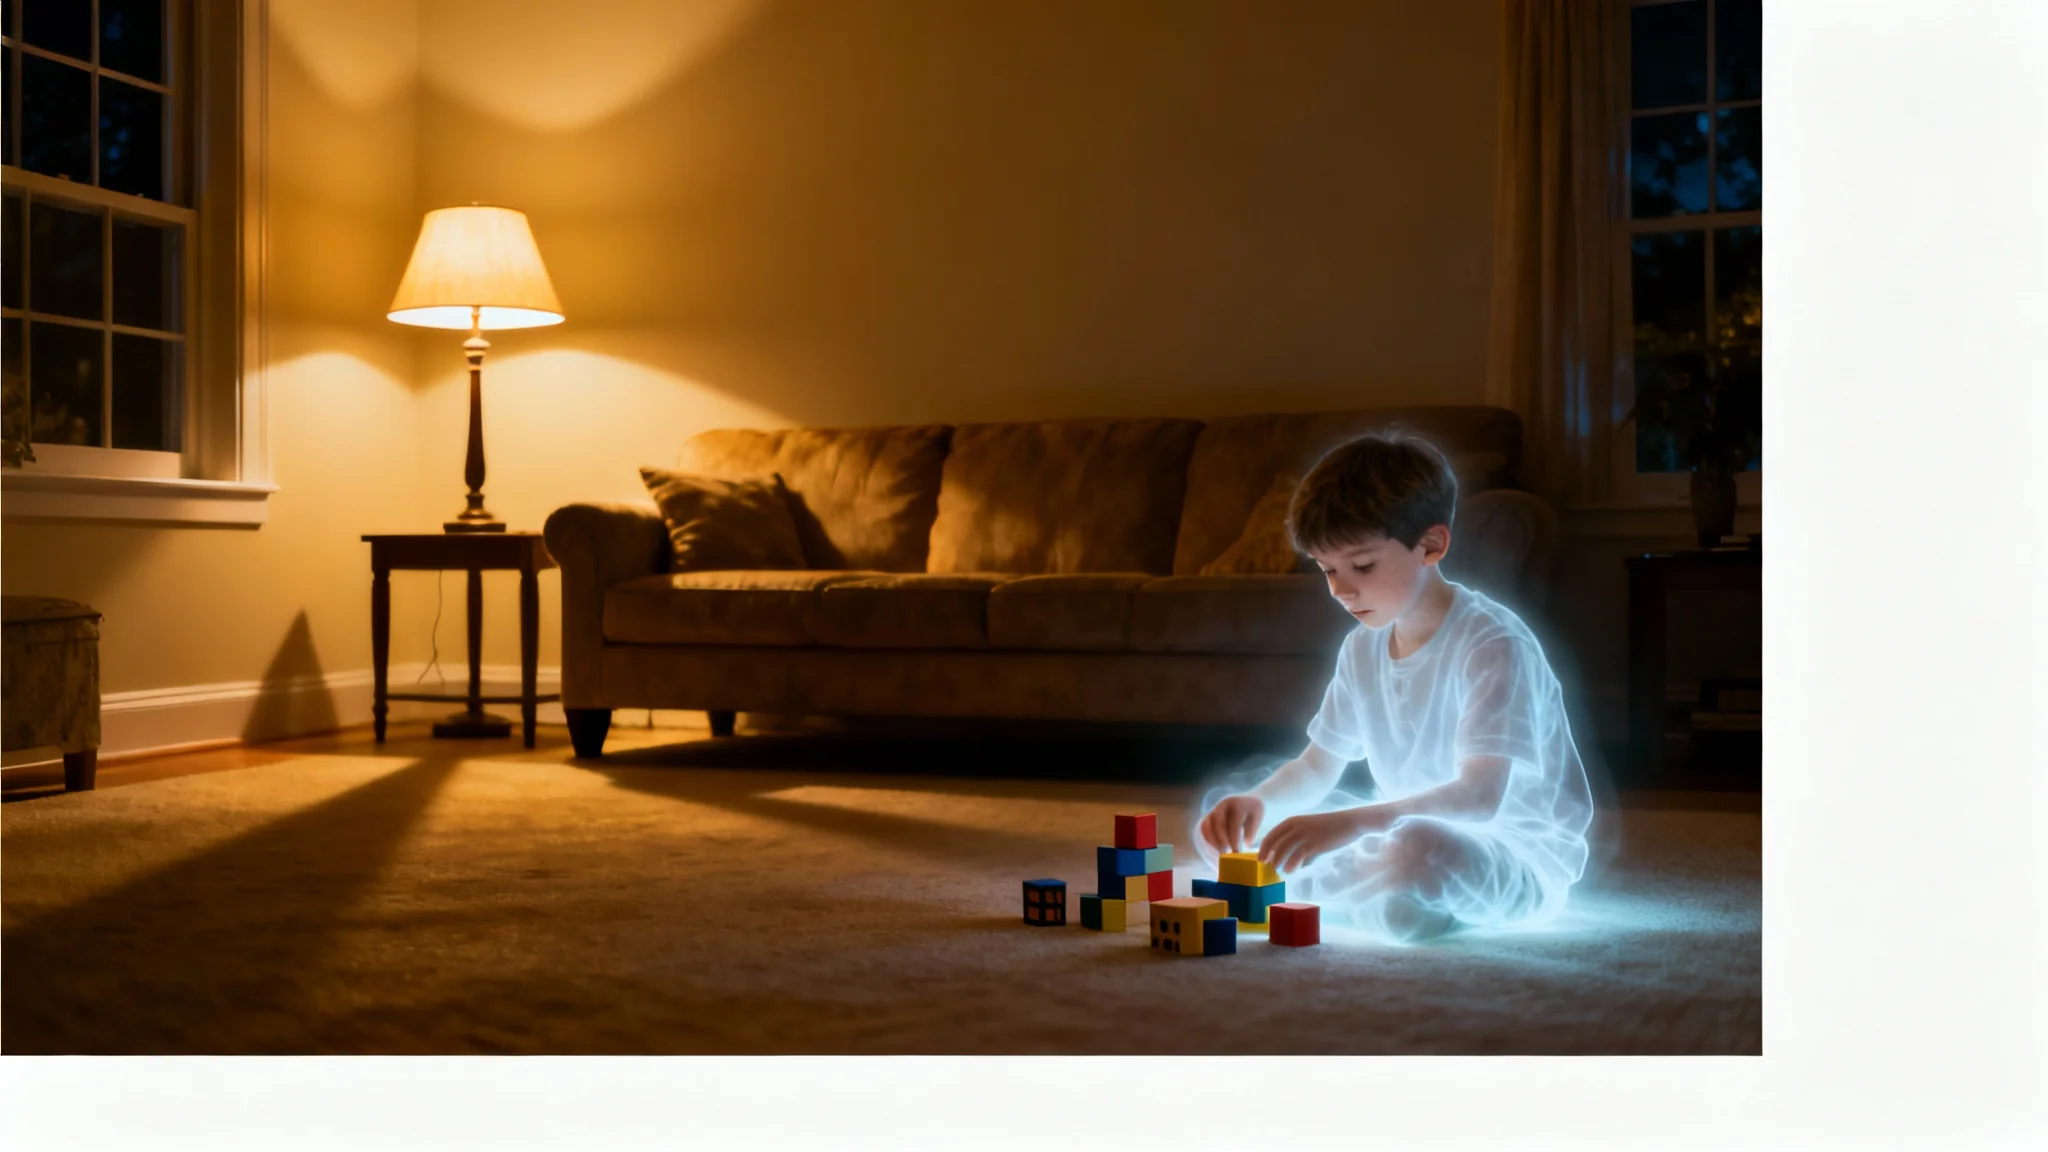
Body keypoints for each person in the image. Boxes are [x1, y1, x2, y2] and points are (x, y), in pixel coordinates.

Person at [1194, 430, 1594, 943]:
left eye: (1362, 566)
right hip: (1395, 829)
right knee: (1228, 820)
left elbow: (1479, 797)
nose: (1340, 590)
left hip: (1512, 851)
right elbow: (1316, 766)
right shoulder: (1361, 648)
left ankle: (1380, 894)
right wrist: (1259, 802)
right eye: (1327, 569)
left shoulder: (1493, 643)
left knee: (1417, 847)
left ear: (1431, 546)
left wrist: (1351, 824)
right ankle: (1394, 900)